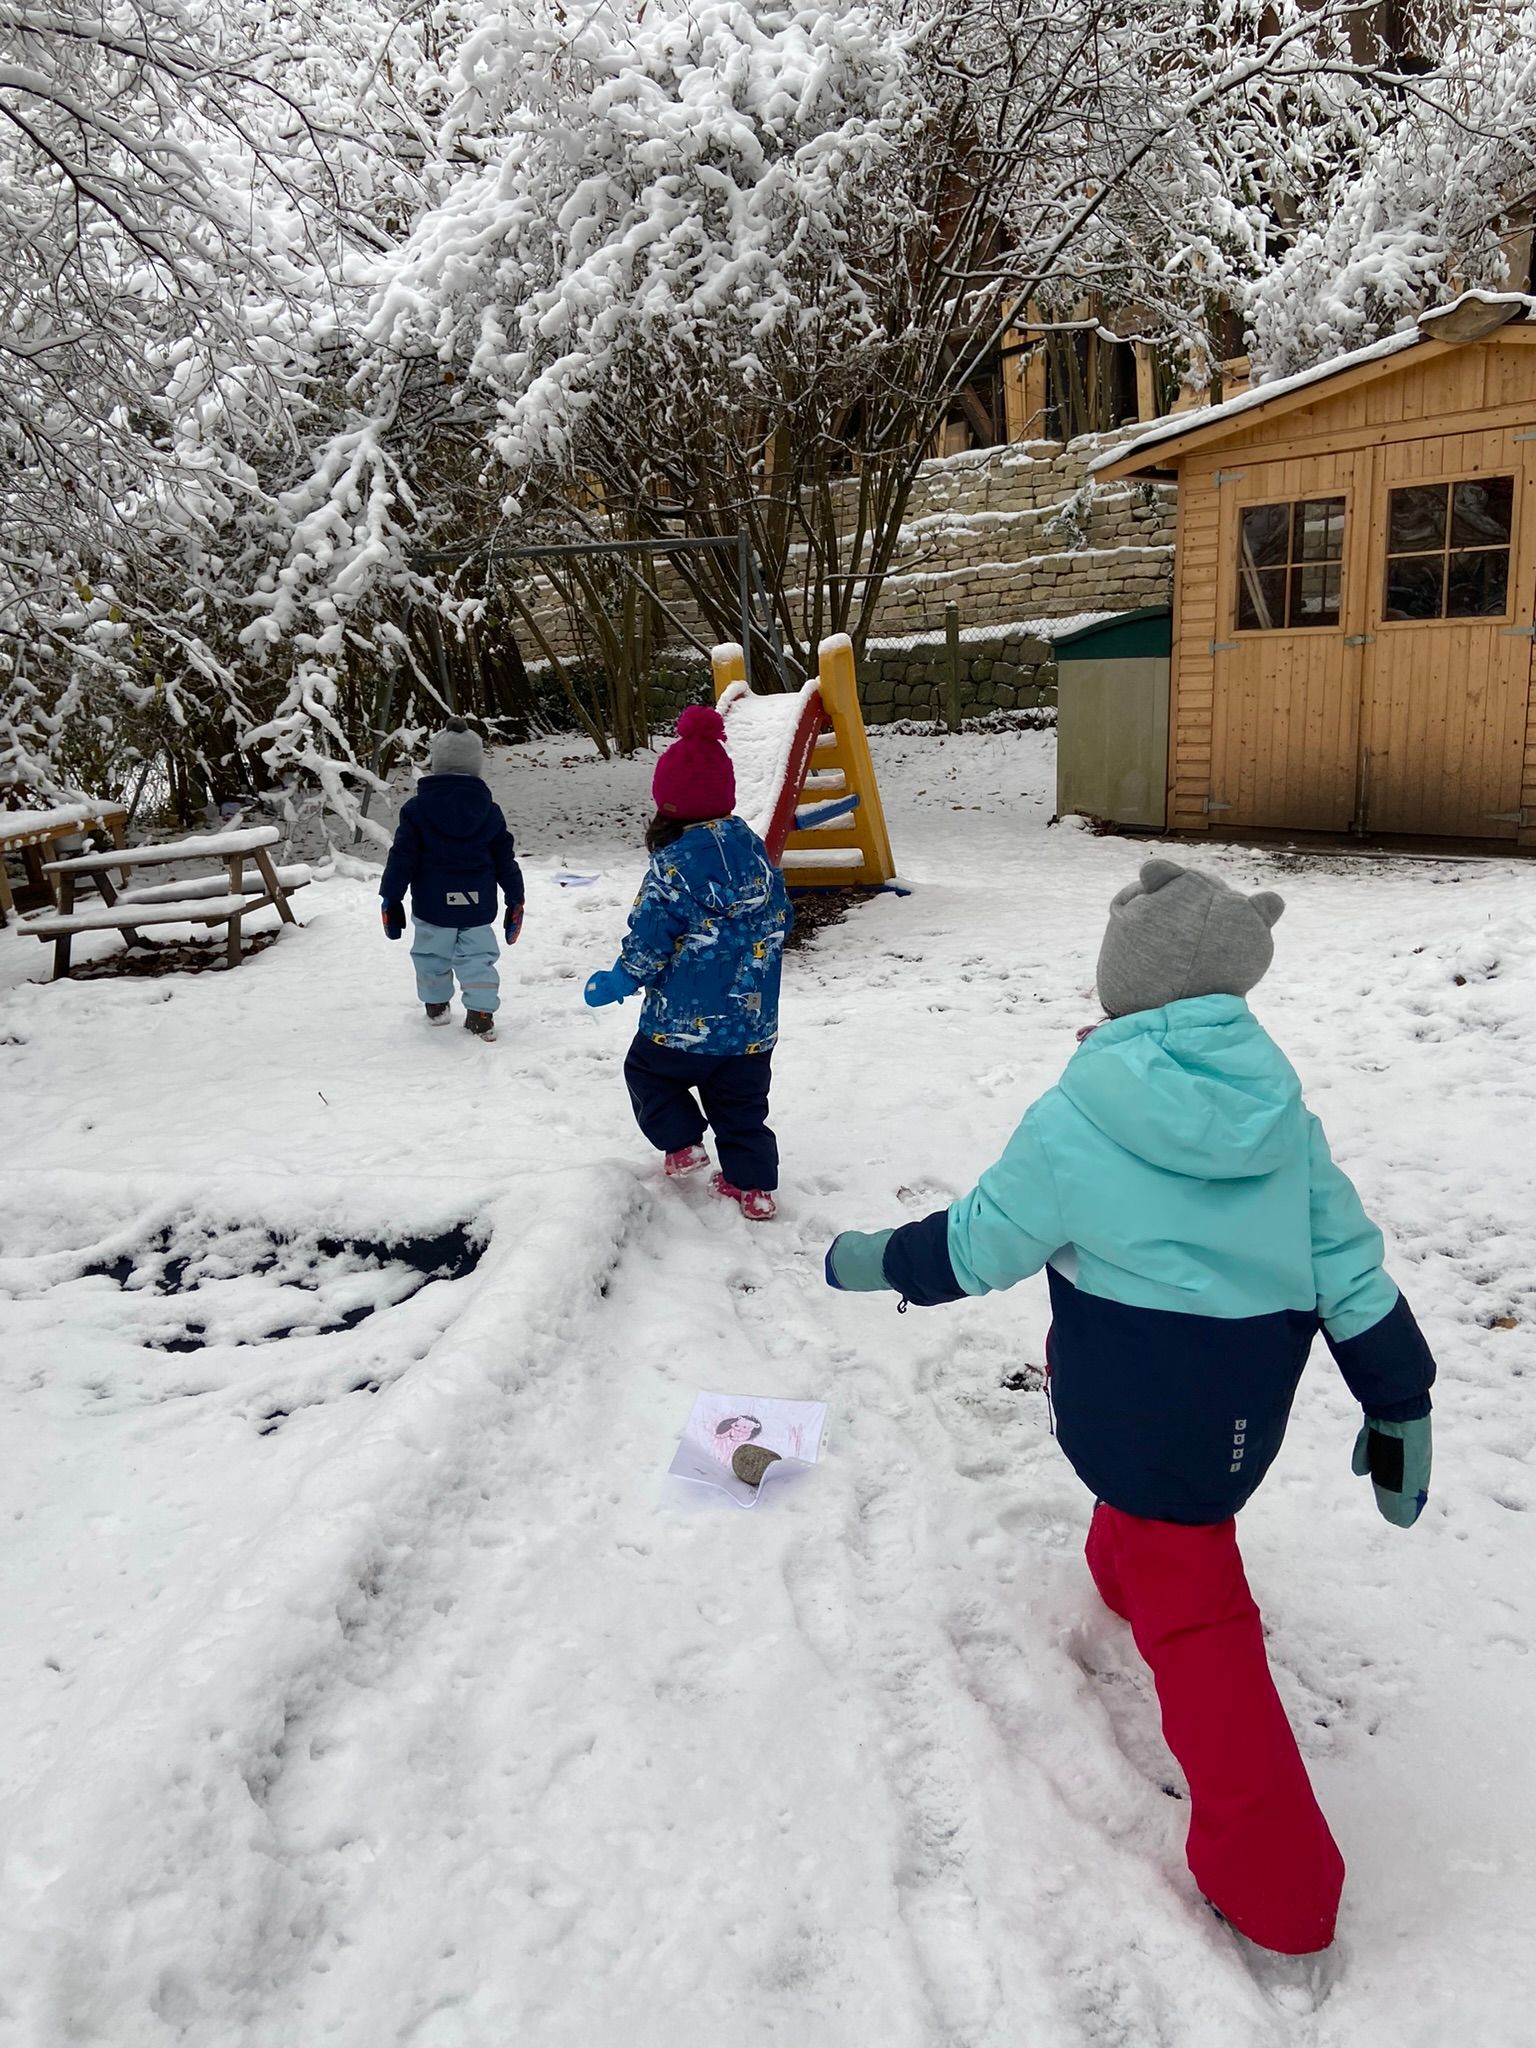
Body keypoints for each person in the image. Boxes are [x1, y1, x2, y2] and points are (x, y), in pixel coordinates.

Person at [824, 858, 1436, 1998]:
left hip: (1133, 1410)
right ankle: (1124, 1563)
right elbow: (1349, 1266)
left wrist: (875, 1259)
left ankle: (1280, 1886)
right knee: (1158, 1532)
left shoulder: (1075, 1116)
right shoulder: (1283, 1117)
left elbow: (976, 1242)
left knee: (1204, 1633)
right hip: (1237, 1411)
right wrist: (1397, 1393)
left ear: (1126, 993)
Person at [584, 704, 792, 1221]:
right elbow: (781, 918)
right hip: (750, 1025)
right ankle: (756, 1188)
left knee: (647, 1074)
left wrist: (620, 978)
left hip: (679, 1028)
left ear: (667, 805)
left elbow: (652, 939)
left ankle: (682, 1144)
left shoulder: (671, 867)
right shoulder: (758, 854)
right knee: (742, 1108)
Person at [380, 717, 524, 1041]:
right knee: (478, 959)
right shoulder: (489, 810)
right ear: (475, 765)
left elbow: (401, 857)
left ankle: (436, 1004)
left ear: (438, 762)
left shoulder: (416, 810)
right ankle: (481, 1014)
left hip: (433, 905)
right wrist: (516, 897)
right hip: (478, 905)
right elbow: (505, 859)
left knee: (431, 955)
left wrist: (391, 896)